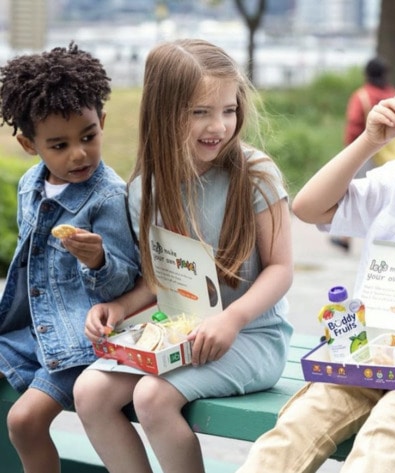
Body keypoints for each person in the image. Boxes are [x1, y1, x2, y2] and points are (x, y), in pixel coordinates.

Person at [236, 39, 395, 473]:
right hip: (373, 353)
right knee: (296, 426)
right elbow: (309, 208)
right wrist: (368, 141)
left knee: (389, 433)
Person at [73, 38, 293, 473]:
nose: (219, 126)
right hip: (183, 336)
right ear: (164, 111)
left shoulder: (256, 174)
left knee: (151, 397)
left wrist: (230, 320)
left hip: (251, 336)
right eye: (200, 112)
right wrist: (117, 307)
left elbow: (282, 270)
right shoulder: (146, 189)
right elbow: (162, 279)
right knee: (89, 393)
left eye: (228, 110)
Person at [0, 43, 141, 473]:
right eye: (59, 145)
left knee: (23, 420)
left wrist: (98, 261)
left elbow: (126, 282)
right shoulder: (31, 184)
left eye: (88, 136)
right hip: (28, 331)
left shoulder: (107, 196)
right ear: (29, 144)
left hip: (78, 345)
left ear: (103, 123)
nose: (78, 154)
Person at [331, 57, 395, 252]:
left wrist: (350, 151)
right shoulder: (394, 94)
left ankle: (345, 239)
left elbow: (354, 124)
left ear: (367, 74)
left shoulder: (361, 96)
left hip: (366, 151)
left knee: (353, 193)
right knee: (390, 195)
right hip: (391, 150)